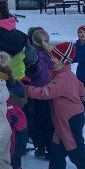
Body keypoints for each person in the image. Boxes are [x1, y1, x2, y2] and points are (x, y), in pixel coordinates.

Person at [25, 41, 85, 169]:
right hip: (63, 120)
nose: (52, 59)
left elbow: (45, 93)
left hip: (70, 119)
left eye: (55, 58)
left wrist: (26, 89)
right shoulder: (67, 75)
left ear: (63, 60)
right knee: (56, 149)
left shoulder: (63, 78)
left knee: (75, 148)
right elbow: (81, 91)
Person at [25, 28, 55, 159]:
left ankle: (41, 146)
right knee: (49, 121)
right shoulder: (51, 54)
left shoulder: (33, 56)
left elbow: (35, 72)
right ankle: (49, 147)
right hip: (50, 91)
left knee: (37, 120)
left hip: (36, 92)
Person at [6, 80, 31, 169]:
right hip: (18, 141)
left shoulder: (10, 109)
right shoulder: (16, 107)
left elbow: (13, 124)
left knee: (14, 166)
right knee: (14, 165)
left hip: (14, 144)